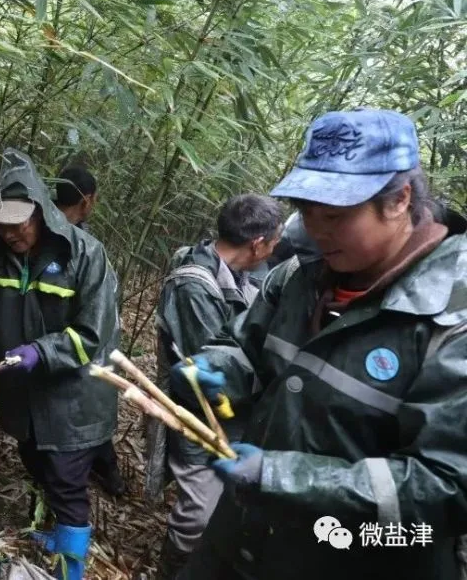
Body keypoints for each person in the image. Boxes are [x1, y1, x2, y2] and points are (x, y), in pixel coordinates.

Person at [172, 109, 467, 580]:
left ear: (399, 200)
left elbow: (447, 485)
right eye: (306, 210)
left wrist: (283, 478)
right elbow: (246, 350)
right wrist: (214, 369)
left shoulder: (452, 315)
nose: (315, 229)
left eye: (334, 215)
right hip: (239, 540)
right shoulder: (299, 275)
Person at [0, 149, 120, 580]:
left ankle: (70, 567)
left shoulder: (85, 255)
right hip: (24, 399)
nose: (9, 232)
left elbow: (95, 334)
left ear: (41, 210)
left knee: (66, 480)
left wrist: (42, 351)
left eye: (18, 220)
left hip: (75, 398)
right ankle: (61, 538)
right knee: (36, 461)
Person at [147, 195, 283, 579]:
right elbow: (211, 366)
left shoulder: (241, 275)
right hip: (201, 420)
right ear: (257, 244)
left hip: (234, 419)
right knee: (198, 516)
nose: (276, 250)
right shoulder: (195, 285)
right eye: (274, 242)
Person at [54, 163, 126, 498]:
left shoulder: (38, 232)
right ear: (87, 200)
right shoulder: (84, 247)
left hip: (51, 347)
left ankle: (102, 464)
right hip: (77, 345)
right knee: (88, 405)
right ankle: (99, 470)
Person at [55, 163, 98, 232]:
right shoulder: (80, 239)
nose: (94, 205)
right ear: (86, 201)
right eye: (94, 200)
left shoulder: (38, 212)